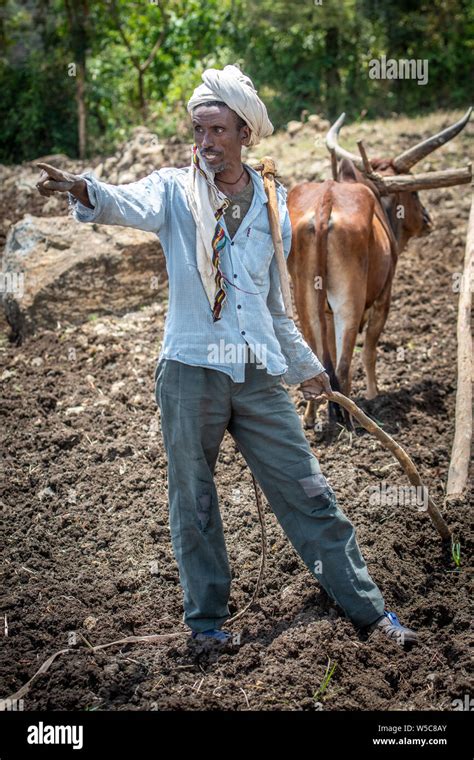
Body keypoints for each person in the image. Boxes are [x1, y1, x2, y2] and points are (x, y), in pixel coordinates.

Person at [35, 64, 418, 649]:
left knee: (308, 488)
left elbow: (275, 305)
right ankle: (207, 625)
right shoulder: (173, 191)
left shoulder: (272, 203)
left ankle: (369, 611)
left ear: (245, 133)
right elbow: (123, 203)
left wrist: (308, 369)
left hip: (258, 373)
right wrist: (86, 189)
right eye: (199, 130)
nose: (206, 142)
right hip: (190, 373)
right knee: (195, 500)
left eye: (217, 131)